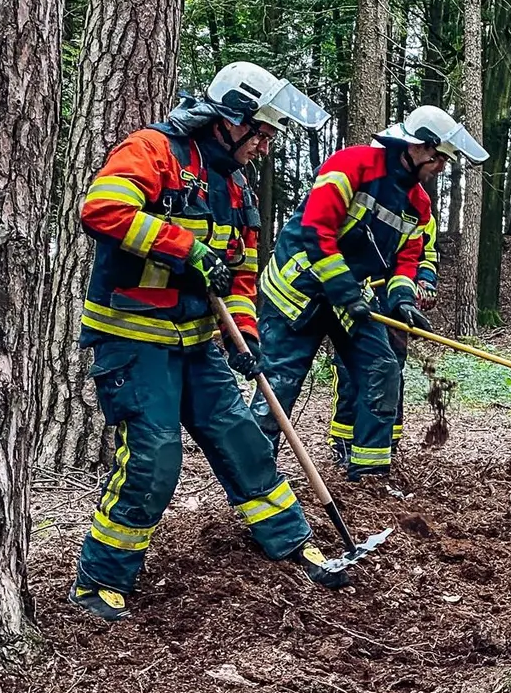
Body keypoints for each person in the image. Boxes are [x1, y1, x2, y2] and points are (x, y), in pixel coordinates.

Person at [67, 62, 342, 622]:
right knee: (156, 455)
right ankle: (101, 579)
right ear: (229, 120)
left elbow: (239, 275)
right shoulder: (154, 151)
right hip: (133, 338)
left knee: (242, 437)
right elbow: (101, 209)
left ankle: (291, 541)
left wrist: (242, 332)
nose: (266, 146)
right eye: (262, 132)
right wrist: (183, 249)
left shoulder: (237, 191)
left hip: (196, 342)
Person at [251, 106, 486, 480]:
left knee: (382, 367)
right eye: (439, 157)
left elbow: (407, 259)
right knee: (279, 382)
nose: (441, 167)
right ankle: (253, 476)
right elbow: (317, 230)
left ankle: (371, 473)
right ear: (417, 148)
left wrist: (403, 299)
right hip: (296, 291)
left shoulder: (418, 205)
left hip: (350, 298)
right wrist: (345, 290)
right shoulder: (351, 165)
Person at [326, 215, 437, 462]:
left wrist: (425, 282)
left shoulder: (423, 214)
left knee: (393, 370)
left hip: (397, 302)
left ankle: (388, 440)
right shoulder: (370, 197)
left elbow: (426, 256)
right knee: (348, 370)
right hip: (358, 297)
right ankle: (344, 441)